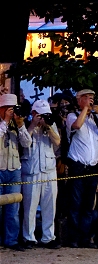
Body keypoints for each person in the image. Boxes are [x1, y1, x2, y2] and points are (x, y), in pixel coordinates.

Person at [65, 89, 98, 248]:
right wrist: (85, 109)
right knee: (75, 204)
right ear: (79, 100)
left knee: (88, 206)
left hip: (92, 167)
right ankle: (72, 238)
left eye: (92, 98)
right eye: (87, 98)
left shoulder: (95, 119)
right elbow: (77, 125)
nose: (91, 101)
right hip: (78, 166)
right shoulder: (72, 116)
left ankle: (85, 238)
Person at [21, 100, 60, 249]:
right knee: (29, 206)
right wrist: (32, 126)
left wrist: (48, 127)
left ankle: (48, 237)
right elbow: (24, 143)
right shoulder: (25, 125)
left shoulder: (51, 125)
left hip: (49, 170)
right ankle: (28, 237)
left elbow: (57, 142)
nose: (43, 117)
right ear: (34, 114)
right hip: (31, 171)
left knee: (50, 205)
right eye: (40, 115)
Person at [0, 94, 32, 250]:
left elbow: (27, 143)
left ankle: (11, 240)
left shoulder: (16, 125)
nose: (12, 112)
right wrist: (5, 121)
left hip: (14, 169)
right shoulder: (3, 124)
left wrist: (20, 125)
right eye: (9, 109)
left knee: (13, 208)